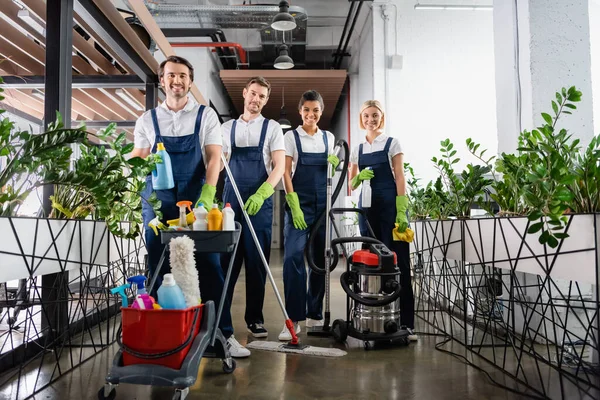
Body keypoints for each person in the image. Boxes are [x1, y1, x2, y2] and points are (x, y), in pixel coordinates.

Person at [132, 55, 249, 358]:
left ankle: (222, 334)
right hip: (158, 202)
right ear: (162, 81)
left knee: (209, 264)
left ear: (190, 81)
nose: (177, 81)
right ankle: (164, 336)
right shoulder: (147, 120)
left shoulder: (205, 116)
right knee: (158, 265)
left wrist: (208, 193)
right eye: (171, 75)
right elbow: (139, 156)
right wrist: (122, 176)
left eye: (183, 75)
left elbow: (213, 156)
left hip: (197, 198)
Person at [221, 76, 285, 342]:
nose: (256, 99)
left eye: (262, 96)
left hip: (261, 200)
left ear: (266, 100)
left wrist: (262, 193)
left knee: (257, 262)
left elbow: (279, 166)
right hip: (231, 201)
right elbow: (219, 160)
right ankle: (220, 319)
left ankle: (255, 319)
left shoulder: (272, 128)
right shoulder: (226, 128)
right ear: (244, 93)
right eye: (253, 94)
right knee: (227, 262)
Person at [348, 99, 417, 341]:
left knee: (399, 264)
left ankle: (406, 322)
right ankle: (373, 318)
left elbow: (399, 176)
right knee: (372, 264)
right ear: (361, 119)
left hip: (391, 210)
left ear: (381, 117)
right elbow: (351, 183)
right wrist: (359, 178)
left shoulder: (392, 143)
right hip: (368, 213)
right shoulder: (357, 149)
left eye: (375, 115)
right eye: (366, 115)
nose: (370, 119)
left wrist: (401, 210)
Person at [279, 90, 339, 341]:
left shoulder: (329, 137)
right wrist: (292, 203)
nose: (310, 115)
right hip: (298, 202)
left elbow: (331, 172)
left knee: (319, 259)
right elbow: (285, 170)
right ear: (300, 111)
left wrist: (334, 163)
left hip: (322, 204)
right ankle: (293, 319)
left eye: (315, 110)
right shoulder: (291, 137)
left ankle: (314, 311)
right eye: (306, 110)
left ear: (321, 112)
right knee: (293, 256)